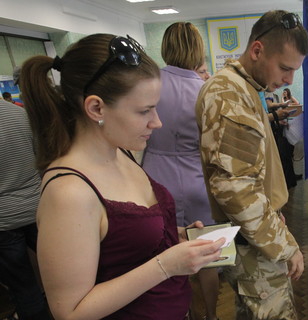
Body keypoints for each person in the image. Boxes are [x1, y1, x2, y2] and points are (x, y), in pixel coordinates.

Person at [20, 33, 225, 319]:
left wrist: (170, 238)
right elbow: (70, 312)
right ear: (96, 108)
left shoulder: (122, 153)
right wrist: (166, 264)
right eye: (144, 111)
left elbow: (121, 248)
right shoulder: (69, 193)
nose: (157, 122)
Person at [195, 10, 308, 319]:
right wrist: (286, 246)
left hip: (257, 234)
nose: (289, 80)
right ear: (257, 50)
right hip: (253, 242)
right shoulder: (229, 94)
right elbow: (237, 190)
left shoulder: (244, 88)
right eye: (285, 68)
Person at [142, 22, 220, 320]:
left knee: (165, 253)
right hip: (198, 177)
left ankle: (180, 313)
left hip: (156, 176)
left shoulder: (150, 84)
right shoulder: (206, 89)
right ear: (199, 50)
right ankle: (211, 315)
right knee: (208, 257)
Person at [0, 98, 51, 320]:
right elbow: (41, 159)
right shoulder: (20, 114)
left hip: (3, 220)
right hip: (37, 207)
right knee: (64, 270)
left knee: (23, 285)